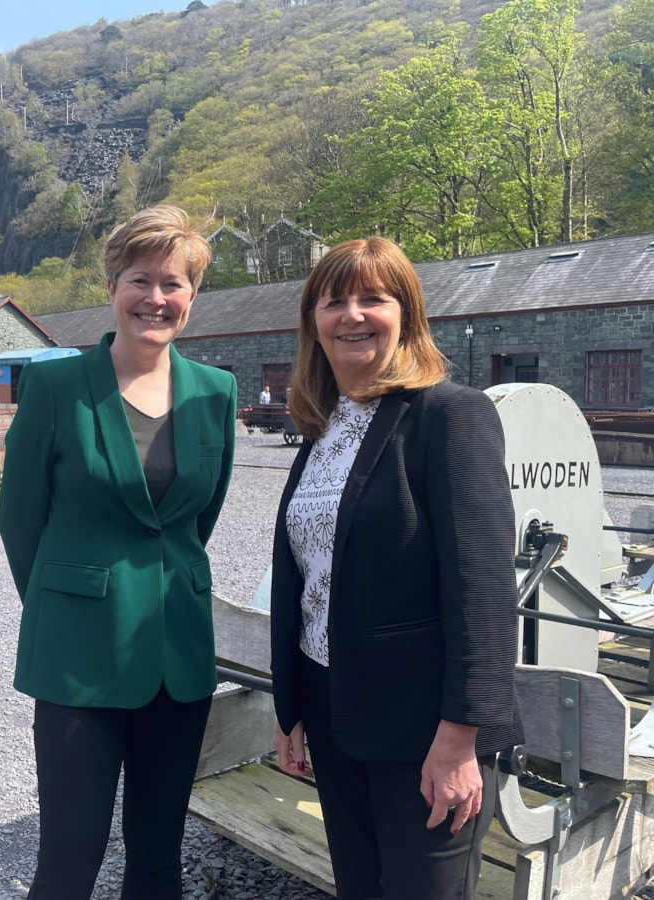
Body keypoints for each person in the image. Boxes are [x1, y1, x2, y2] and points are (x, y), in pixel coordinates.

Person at [269, 237, 524, 900]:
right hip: (334, 714)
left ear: (405, 315)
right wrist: (290, 708)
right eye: (335, 301)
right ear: (314, 325)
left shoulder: (449, 416)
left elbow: (484, 592)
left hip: (426, 731)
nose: (352, 314)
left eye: (372, 299)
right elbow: (308, 585)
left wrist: (460, 739)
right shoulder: (321, 434)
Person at [0, 205, 237, 900]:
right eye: (141, 279)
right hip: (77, 658)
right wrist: (69, 601)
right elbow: (21, 524)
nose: (155, 298)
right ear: (112, 286)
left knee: (159, 859)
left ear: (192, 297)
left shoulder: (215, 394)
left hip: (179, 658)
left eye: (174, 283)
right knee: (68, 861)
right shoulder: (55, 388)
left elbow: (195, 521)